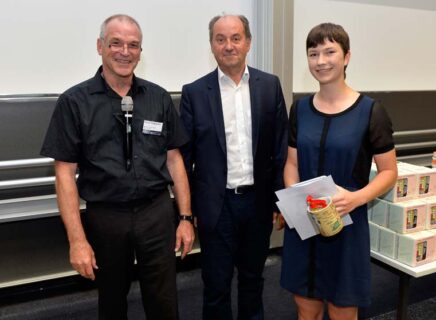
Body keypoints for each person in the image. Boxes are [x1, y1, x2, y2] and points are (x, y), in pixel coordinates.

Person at [40, 14, 194, 320]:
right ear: (100, 46)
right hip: (106, 216)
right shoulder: (74, 102)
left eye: (133, 45)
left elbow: (174, 159)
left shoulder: (158, 98)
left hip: (156, 213)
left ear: (140, 52)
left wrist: (186, 217)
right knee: (111, 300)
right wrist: (77, 240)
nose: (125, 51)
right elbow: (64, 174)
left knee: (164, 300)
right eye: (116, 43)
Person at [279, 23, 398, 320]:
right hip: (305, 224)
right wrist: (295, 197)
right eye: (313, 53)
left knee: (342, 310)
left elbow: (388, 172)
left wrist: (357, 198)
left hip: (346, 225)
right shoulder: (300, 109)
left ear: (346, 57)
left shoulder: (371, 111)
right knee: (307, 312)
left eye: (329, 52)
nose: (321, 61)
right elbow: (291, 163)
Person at [179, 14, 288, 320]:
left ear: (248, 42)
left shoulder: (270, 86)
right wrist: (188, 211)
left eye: (236, 38)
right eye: (220, 39)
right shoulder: (195, 93)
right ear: (212, 45)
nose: (229, 46)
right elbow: (183, 160)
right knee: (216, 285)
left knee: (253, 281)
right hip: (217, 207)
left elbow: (280, 148)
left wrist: (280, 200)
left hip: (259, 204)